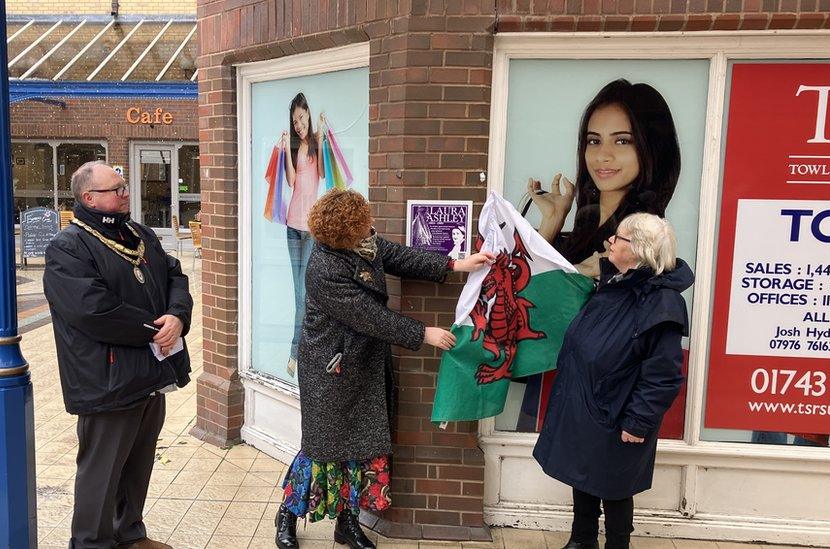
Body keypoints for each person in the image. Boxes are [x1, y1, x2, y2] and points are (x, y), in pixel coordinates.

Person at [274, 189, 495, 549]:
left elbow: (397, 256)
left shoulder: (363, 245)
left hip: (360, 364)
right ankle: (287, 513)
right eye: (363, 222)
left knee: (361, 448)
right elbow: (370, 317)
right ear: (347, 231)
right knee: (321, 448)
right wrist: (424, 333)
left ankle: (347, 523)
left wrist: (455, 264)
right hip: (330, 370)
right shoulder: (324, 268)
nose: (370, 225)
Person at [43, 161, 193, 549]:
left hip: (150, 371)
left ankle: (129, 534)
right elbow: (93, 310)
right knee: (101, 469)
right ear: (89, 198)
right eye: (117, 189)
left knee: (138, 461)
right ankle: (92, 542)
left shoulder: (138, 233)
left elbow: (175, 275)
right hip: (106, 378)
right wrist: (155, 330)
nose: (126, 193)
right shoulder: (68, 247)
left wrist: (177, 316)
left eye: (125, 187)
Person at [532, 213, 692, 549]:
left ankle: (617, 545)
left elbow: (662, 374)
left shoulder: (662, 302)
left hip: (620, 410)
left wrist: (639, 421)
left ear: (636, 249)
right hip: (589, 401)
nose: (609, 243)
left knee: (615, 486)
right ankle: (582, 540)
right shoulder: (614, 284)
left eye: (616, 238)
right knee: (583, 472)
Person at [528, 79, 681, 279]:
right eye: (594, 140)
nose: (602, 155)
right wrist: (552, 222)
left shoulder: (638, 240)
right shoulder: (587, 222)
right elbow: (519, 289)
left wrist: (582, 273)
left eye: (622, 141)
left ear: (652, 148)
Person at [282, 92, 325, 377]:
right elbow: (291, 181)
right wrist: (286, 147)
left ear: (308, 113)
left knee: (304, 293)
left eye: (300, 117)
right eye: (294, 120)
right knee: (300, 293)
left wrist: (321, 140)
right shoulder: (297, 145)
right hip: (292, 227)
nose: (298, 124)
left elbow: (322, 174)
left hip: (310, 230)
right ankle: (301, 351)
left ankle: (296, 353)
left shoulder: (317, 141)